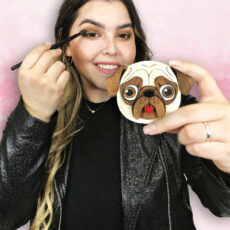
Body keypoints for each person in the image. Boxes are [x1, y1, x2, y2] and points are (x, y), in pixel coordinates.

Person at [0, 0, 230, 229]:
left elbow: (223, 205)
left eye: (123, 35)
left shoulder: (171, 110)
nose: (111, 48)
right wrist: (34, 115)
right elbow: (5, 216)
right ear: (65, 42)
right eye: (92, 33)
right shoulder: (41, 110)